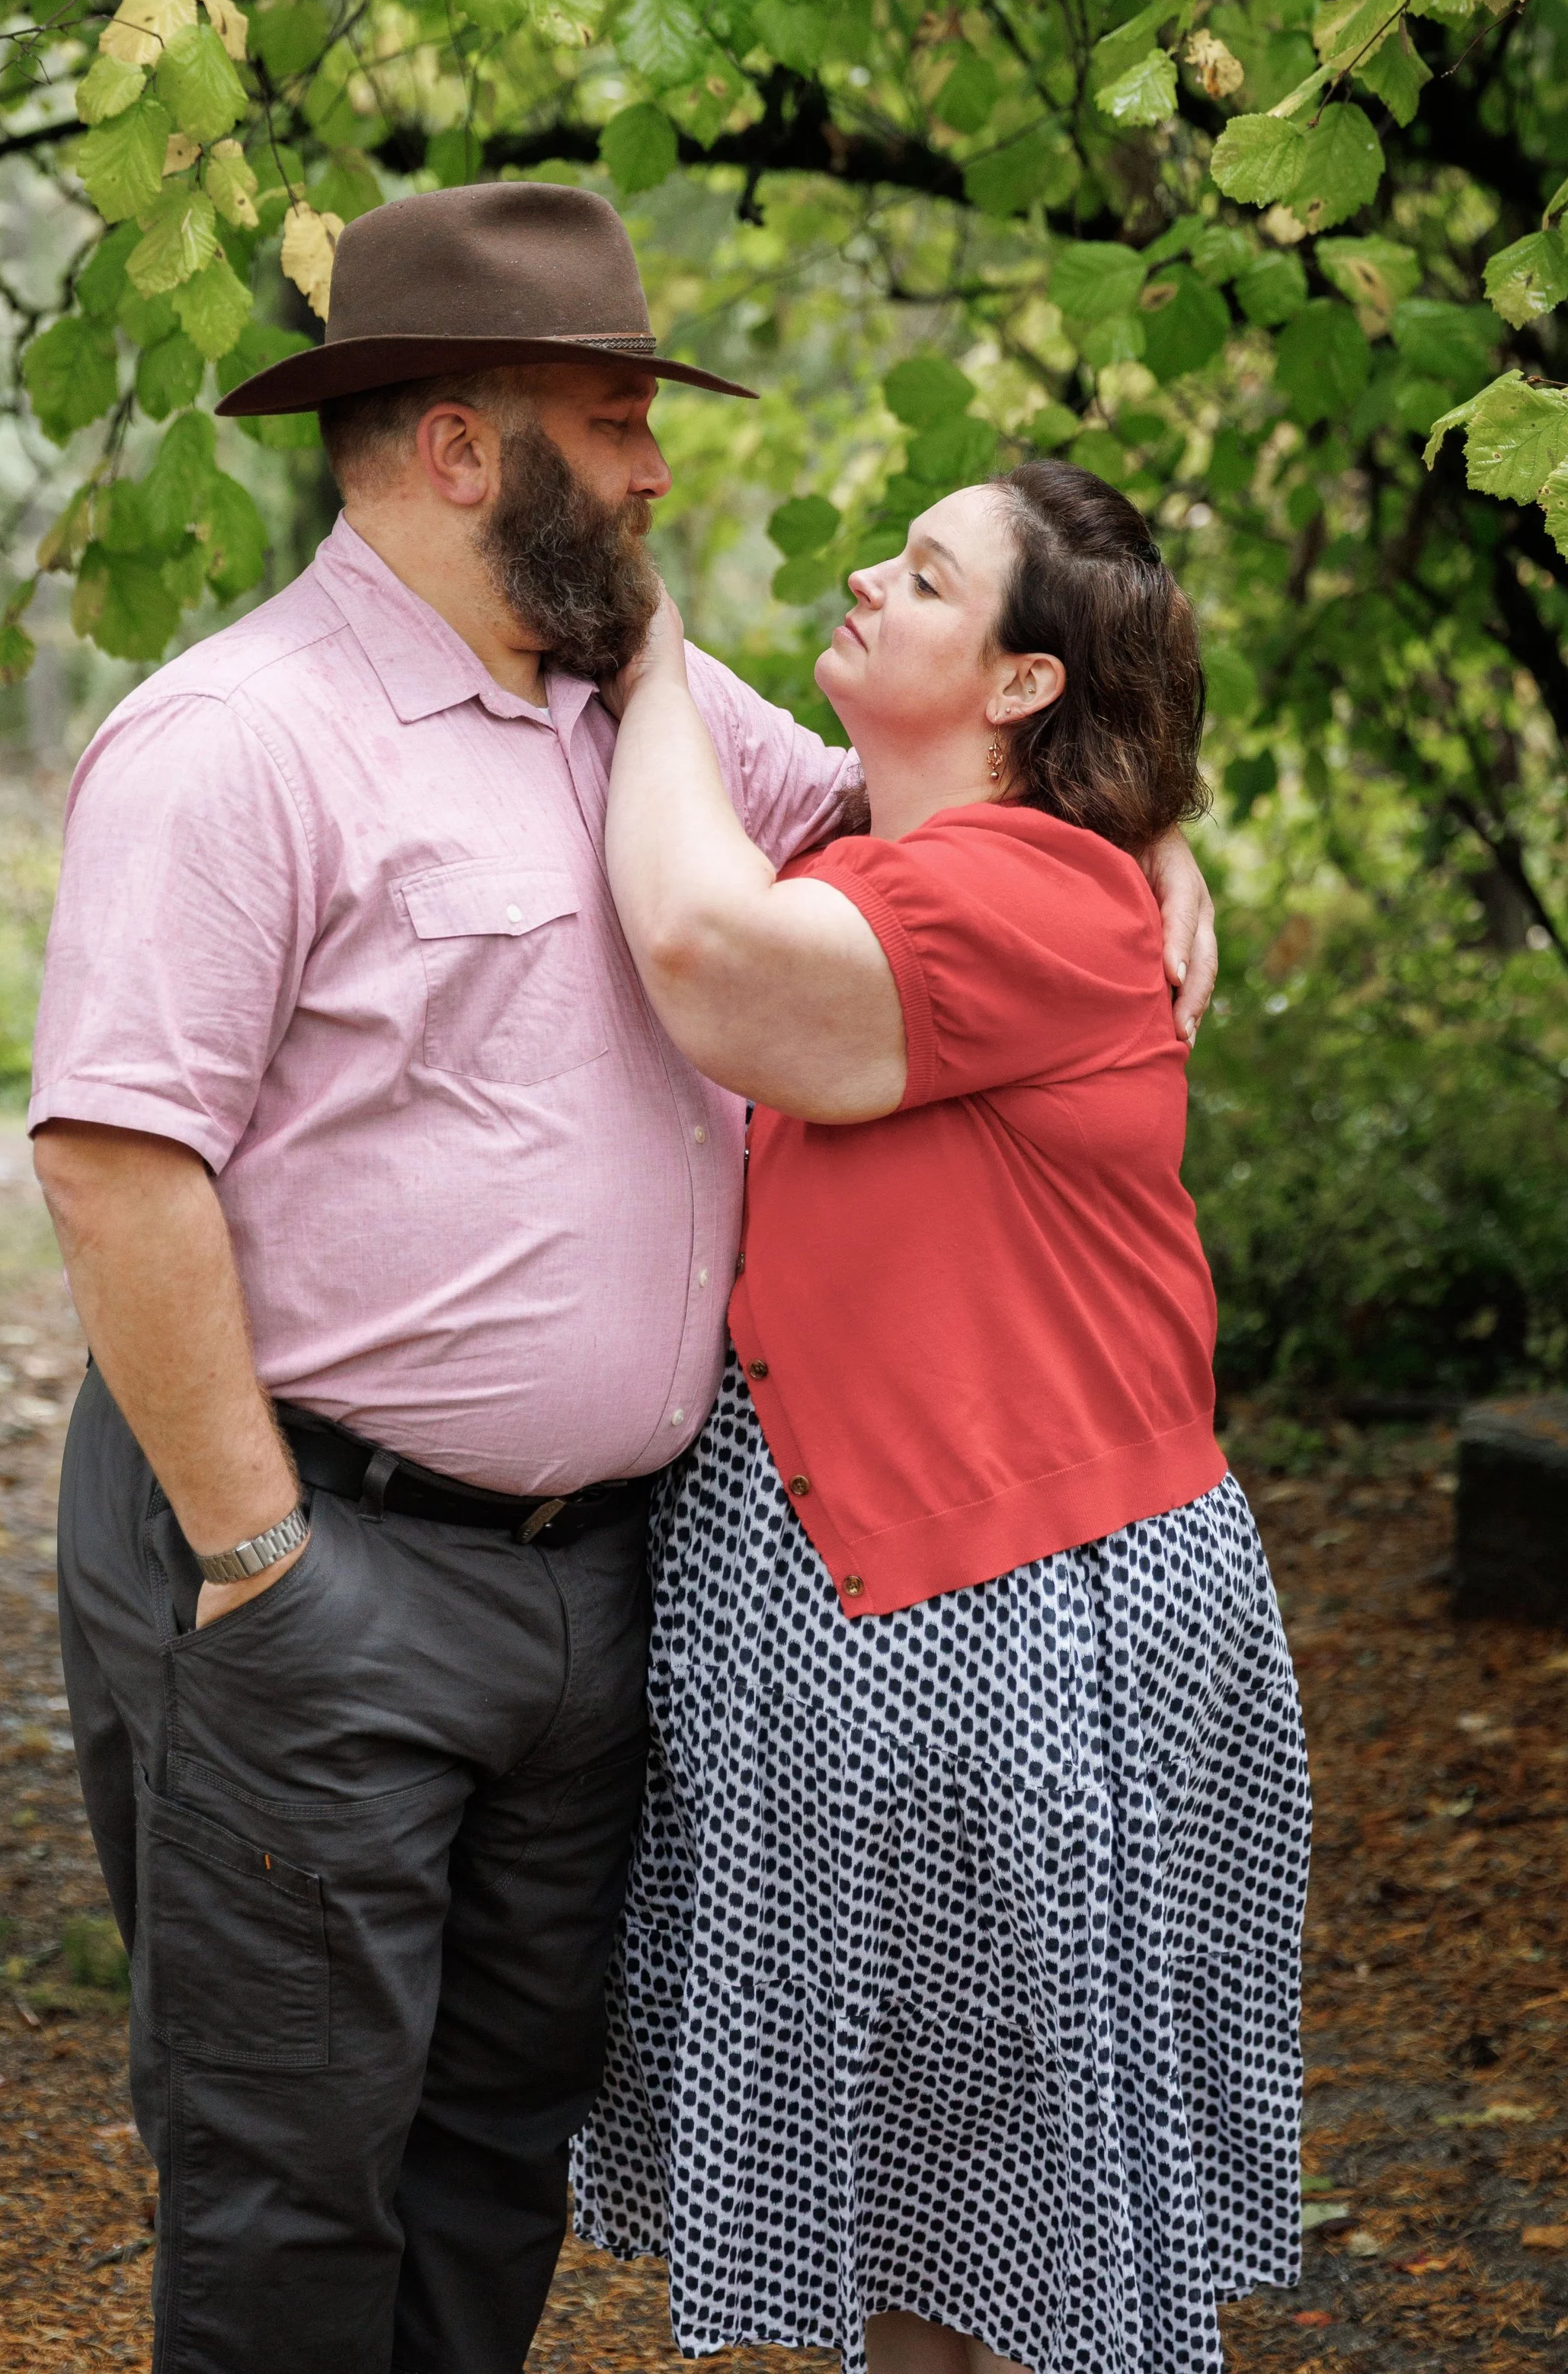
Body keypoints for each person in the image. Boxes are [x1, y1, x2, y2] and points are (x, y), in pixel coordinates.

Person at [28, 182, 1219, 2374]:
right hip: (317, 1552)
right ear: (460, 450)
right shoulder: (235, 740)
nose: (658, 468)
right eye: (612, 421)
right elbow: (116, 1164)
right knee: (294, 2171)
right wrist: (258, 1556)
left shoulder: (634, 709)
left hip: (593, 1594)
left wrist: (1156, 835)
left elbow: (948, 819)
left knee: (496, 2152)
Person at [574, 459, 1308, 2374]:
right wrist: (1163, 830)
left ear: (1020, 684)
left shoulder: (1030, 892)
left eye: (918, 577)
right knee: (924, 2180)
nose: (860, 579)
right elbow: (704, 753)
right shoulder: (890, 844)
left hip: (1016, 1596)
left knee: (1023, 2182)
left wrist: (650, 644)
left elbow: (705, 959)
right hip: (866, 1577)